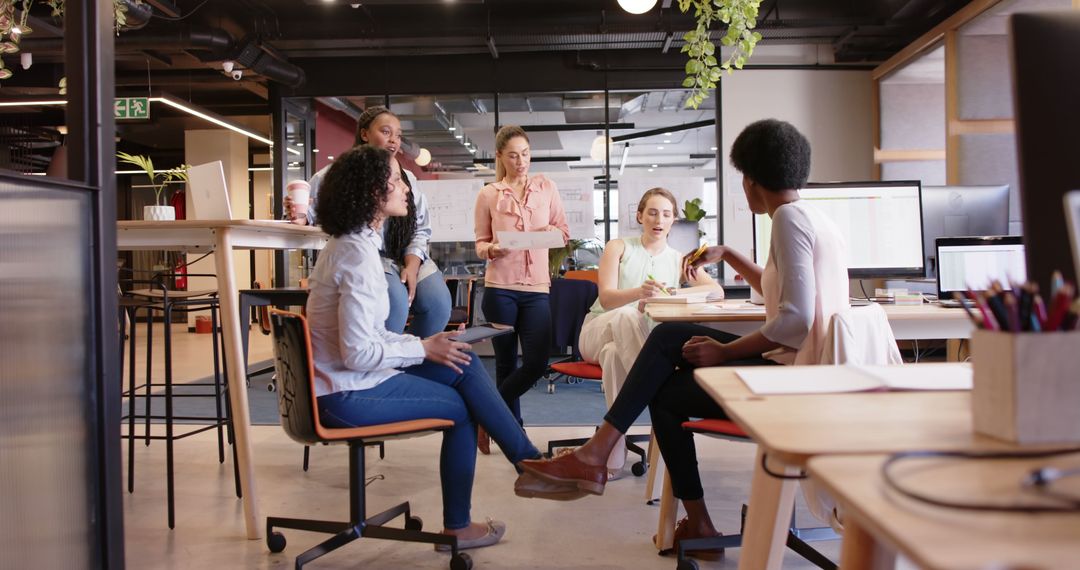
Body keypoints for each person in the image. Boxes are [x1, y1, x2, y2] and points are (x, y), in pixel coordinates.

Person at [515, 119, 850, 559]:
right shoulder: (810, 215)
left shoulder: (786, 220)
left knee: (666, 382)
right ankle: (658, 494)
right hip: (805, 370)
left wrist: (725, 351)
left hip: (792, 379)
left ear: (749, 180)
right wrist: (730, 254)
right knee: (669, 354)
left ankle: (604, 455)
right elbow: (779, 301)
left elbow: (793, 322)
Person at [306, 144, 545, 550]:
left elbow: (367, 337)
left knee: (460, 359)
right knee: (462, 410)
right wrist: (420, 350)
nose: (407, 189)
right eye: (397, 180)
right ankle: (461, 523)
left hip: (347, 378)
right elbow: (358, 353)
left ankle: (530, 463)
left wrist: (425, 344)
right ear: (371, 194)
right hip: (343, 393)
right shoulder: (358, 257)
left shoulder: (352, 244)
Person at [577, 187, 719, 478]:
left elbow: (715, 291)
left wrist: (675, 293)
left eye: (666, 214)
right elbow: (606, 299)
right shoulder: (618, 247)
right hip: (597, 330)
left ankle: (612, 450)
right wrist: (638, 293)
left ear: (673, 221)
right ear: (640, 216)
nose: (659, 219)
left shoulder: (680, 260)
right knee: (628, 315)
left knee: (614, 354)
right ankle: (660, 394)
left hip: (628, 342)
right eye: (652, 212)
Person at [289, 105, 452, 338]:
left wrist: (413, 264)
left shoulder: (410, 179)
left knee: (438, 304)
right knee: (394, 302)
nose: (394, 140)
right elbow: (312, 211)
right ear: (364, 134)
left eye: (398, 135)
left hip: (405, 253)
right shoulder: (338, 174)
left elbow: (420, 228)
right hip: (373, 254)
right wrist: (299, 214)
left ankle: (415, 363)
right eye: (386, 132)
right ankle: (390, 364)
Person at [474, 125, 570, 453]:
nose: (521, 162)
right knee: (505, 364)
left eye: (526, 154)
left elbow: (563, 233)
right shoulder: (489, 194)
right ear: (500, 156)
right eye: (513, 155)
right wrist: (492, 249)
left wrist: (546, 233)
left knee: (536, 362)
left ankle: (485, 416)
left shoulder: (547, 187)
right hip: (500, 287)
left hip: (537, 289)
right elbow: (480, 244)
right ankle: (513, 433)